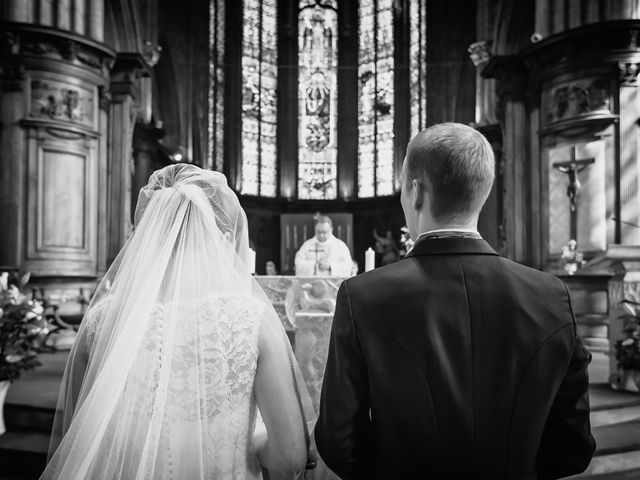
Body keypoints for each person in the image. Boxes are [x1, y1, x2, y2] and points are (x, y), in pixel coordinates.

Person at [315, 123, 595, 479]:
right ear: (483, 191)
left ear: (416, 192)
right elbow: (574, 449)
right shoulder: (551, 296)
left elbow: (338, 441)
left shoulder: (363, 297)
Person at [42, 164, 315, 480]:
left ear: (147, 234)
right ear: (222, 236)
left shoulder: (101, 320)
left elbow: (80, 436)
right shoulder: (249, 320)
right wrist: (246, 441)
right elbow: (288, 456)